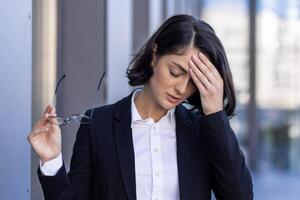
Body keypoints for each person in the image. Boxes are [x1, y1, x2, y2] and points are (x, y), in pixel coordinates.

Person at [28, 14, 253, 200]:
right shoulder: (98, 126)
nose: (182, 88)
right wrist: (51, 162)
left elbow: (240, 196)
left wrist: (215, 113)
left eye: (194, 82)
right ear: (155, 55)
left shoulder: (202, 132)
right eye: (175, 72)